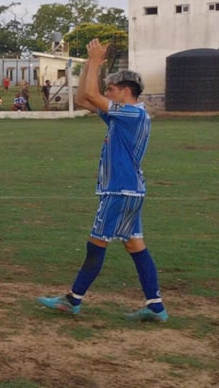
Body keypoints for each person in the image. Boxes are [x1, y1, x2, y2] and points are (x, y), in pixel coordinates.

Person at [38, 38, 168, 322]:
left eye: (111, 89)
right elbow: (83, 99)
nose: (107, 93)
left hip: (119, 190)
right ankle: (156, 306)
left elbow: (92, 95)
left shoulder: (132, 113)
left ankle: (73, 300)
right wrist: (89, 63)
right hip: (129, 190)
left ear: (126, 91)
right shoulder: (123, 116)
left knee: (96, 244)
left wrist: (96, 62)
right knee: (134, 245)